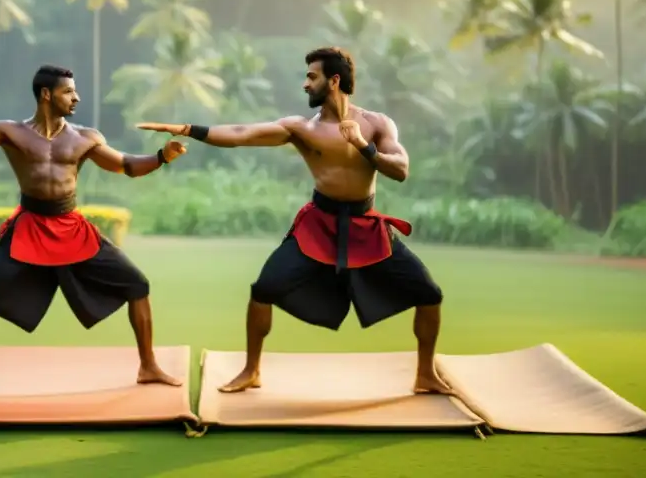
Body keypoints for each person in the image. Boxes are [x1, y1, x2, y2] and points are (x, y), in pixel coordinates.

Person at [138, 46, 451, 395]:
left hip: (366, 226)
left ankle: (425, 374)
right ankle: (251, 370)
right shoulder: (300, 128)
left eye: (311, 77)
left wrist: (363, 145)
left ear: (334, 81)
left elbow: (401, 170)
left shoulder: (376, 124)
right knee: (263, 290)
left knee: (428, 293)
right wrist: (185, 128)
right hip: (318, 225)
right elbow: (242, 134)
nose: (304, 84)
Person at [0, 64, 187, 393]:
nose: (76, 97)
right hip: (27, 229)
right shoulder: (11, 133)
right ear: (46, 94)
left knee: (137, 284)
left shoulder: (85, 138)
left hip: (71, 228)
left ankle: (148, 366)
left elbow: (125, 165)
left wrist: (162, 156)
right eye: (68, 91)